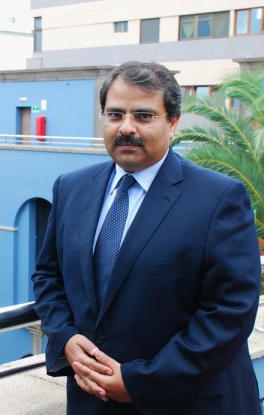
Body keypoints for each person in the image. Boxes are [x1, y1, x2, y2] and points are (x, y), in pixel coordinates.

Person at [32, 61, 261, 415]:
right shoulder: (72, 188)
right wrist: (66, 338)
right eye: (115, 115)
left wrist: (140, 382)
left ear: (173, 122)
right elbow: (48, 276)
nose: (126, 127)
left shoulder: (218, 199)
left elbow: (230, 313)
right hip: (92, 401)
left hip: (186, 403)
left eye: (143, 115)